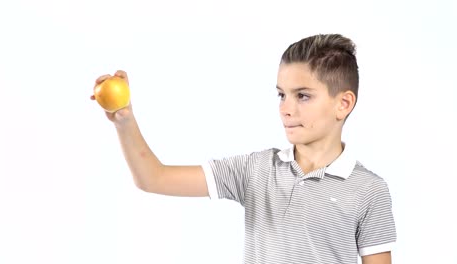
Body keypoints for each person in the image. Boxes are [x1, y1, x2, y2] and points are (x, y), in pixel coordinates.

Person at [90, 34, 397, 264]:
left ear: (343, 103)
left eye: (302, 96)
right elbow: (152, 178)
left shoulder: (369, 191)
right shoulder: (255, 170)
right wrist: (124, 120)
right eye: (281, 95)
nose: (286, 109)